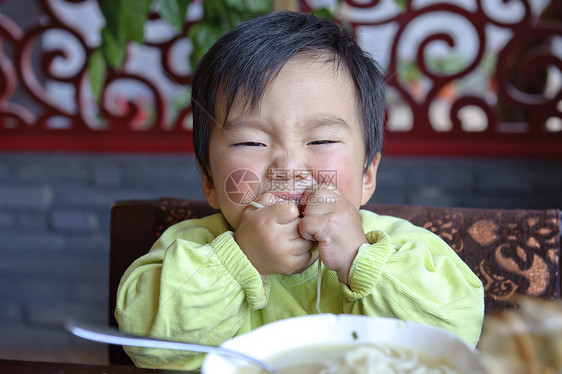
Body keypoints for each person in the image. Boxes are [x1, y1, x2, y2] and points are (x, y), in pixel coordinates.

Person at [115, 11, 484, 370]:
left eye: (321, 139)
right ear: (210, 179)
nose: (289, 167)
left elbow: (458, 330)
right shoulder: (190, 250)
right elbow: (146, 342)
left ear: (367, 173)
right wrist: (240, 260)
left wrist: (361, 259)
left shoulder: (403, 249)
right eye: (251, 143)